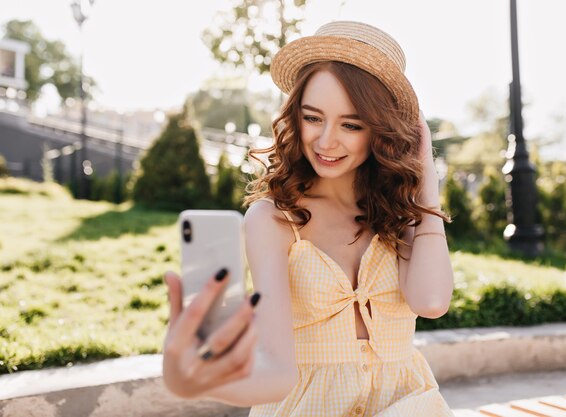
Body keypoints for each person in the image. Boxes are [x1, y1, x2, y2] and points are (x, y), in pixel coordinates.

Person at [163, 20, 455, 416]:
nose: (326, 140)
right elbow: (278, 374)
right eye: (313, 117)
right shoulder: (273, 220)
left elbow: (432, 301)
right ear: (294, 115)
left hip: (406, 405)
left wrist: (426, 184)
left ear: (381, 131)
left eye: (351, 124)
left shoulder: (397, 214)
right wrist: (199, 378)